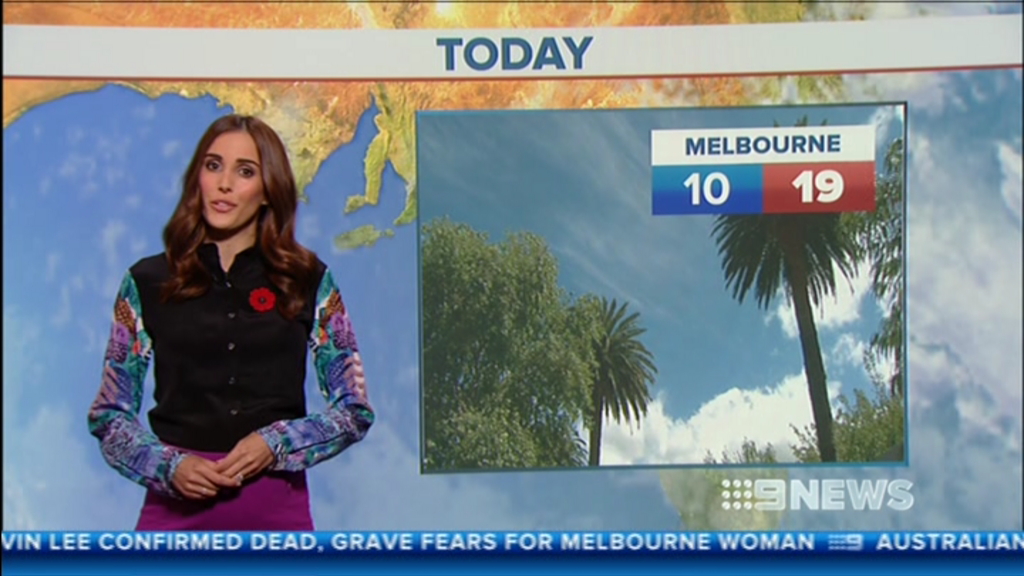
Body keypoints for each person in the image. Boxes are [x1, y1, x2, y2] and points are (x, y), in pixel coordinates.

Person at [87, 114, 374, 531]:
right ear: (197, 178)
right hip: (173, 520)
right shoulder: (147, 282)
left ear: (268, 190)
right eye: (213, 165)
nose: (224, 183)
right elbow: (109, 416)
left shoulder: (308, 280)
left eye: (245, 171)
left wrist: (275, 443)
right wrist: (170, 466)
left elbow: (353, 410)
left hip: (278, 520)